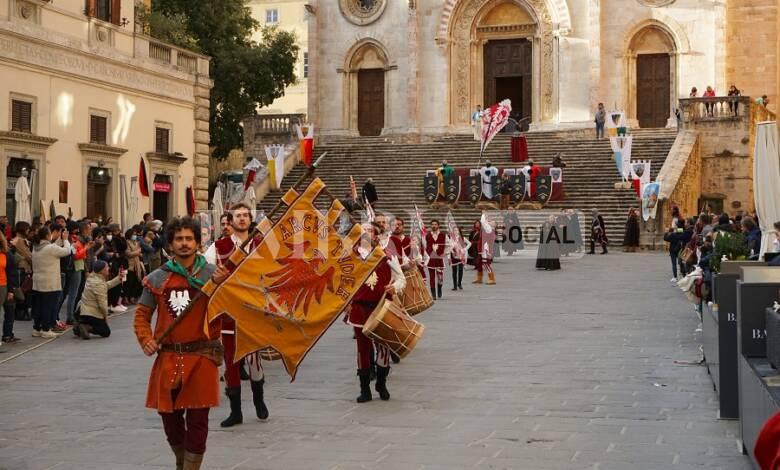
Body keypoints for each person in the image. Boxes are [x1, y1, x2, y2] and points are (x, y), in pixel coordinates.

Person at [133, 216, 223, 470]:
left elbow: (229, 308)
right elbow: (141, 316)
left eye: (189, 239)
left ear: (197, 242)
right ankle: (181, 462)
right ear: (170, 244)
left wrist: (221, 287)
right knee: (169, 418)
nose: (184, 243)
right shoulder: (157, 278)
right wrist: (146, 339)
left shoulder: (213, 275)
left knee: (198, 419)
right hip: (169, 357)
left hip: (202, 356)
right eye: (179, 239)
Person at [203, 202, 268, 427]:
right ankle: (236, 411)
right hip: (229, 311)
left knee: (254, 360)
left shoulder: (261, 244)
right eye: (237, 215)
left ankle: (259, 400)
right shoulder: (218, 246)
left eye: (245, 215)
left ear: (250, 220)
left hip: (254, 311)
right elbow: (204, 269)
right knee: (230, 361)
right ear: (230, 221)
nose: (241, 218)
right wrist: (214, 279)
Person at [347, 222, 405, 403]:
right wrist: (346, 302)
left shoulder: (386, 255)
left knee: (383, 347)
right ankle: (365, 389)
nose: (366, 233)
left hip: (381, 307)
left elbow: (401, 279)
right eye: (363, 231)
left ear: (376, 236)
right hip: (359, 308)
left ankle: (381, 383)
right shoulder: (352, 257)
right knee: (362, 349)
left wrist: (394, 287)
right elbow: (343, 282)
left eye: (370, 231)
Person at [31, 224, 72, 338]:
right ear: (47, 235)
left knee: (39, 306)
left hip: (38, 282)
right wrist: (66, 240)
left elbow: (54, 247)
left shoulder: (36, 247)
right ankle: (46, 329)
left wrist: (60, 239)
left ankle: (37, 328)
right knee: (48, 307)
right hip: (50, 283)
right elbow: (67, 251)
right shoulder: (50, 248)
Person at [77, 260, 125, 339]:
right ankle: (87, 327)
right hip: (91, 313)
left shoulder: (92, 277)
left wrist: (118, 278)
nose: (108, 268)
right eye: (107, 267)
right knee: (105, 331)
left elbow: (105, 286)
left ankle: (79, 326)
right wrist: (105, 317)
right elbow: (102, 304)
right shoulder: (99, 283)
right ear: (102, 270)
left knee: (94, 323)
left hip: (82, 310)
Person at [0, 233, 18, 343]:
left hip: (5, 285)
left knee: (10, 311)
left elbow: (11, 273)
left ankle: (7, 334)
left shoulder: (6, 254)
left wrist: (11, 290)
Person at [425, 220, 446, 300]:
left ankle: (439, 287)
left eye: (435, 224)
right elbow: (425, 246)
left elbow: (449, 245)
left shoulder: (443, 235)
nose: (434, 226)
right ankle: (433, 293)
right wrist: (427, 254)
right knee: (432, 277)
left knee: (440, 277)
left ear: (438, 225)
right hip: (431, 259)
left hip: (439, 259)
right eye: (432, 224)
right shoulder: (427, 236)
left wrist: (445, 253)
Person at [125, 228, 145, 304]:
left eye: (135, 234)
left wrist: (138, 253)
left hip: (137, 265)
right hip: (130, 265)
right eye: (133, 234)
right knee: (129, 282)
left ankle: (132, 297)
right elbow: (128, 253)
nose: (135, 236)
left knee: (136, 281)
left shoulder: (136, 242)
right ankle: (126, 298)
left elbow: (139, 252)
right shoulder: (127, 243)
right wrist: (137, 252)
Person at [449, 226, 468, 291]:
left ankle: (459, 283)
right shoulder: (451, 238)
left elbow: (469, 243)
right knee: (454, 271)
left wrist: (465, 249)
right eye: (454, 230)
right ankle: (454, 286)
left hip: (461, 255)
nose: (456, 232)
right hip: (454, 255)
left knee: (460, 270)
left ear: (459, 231)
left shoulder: (462, 238)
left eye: (457, 230)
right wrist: (451, 252)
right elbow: (449, 247)